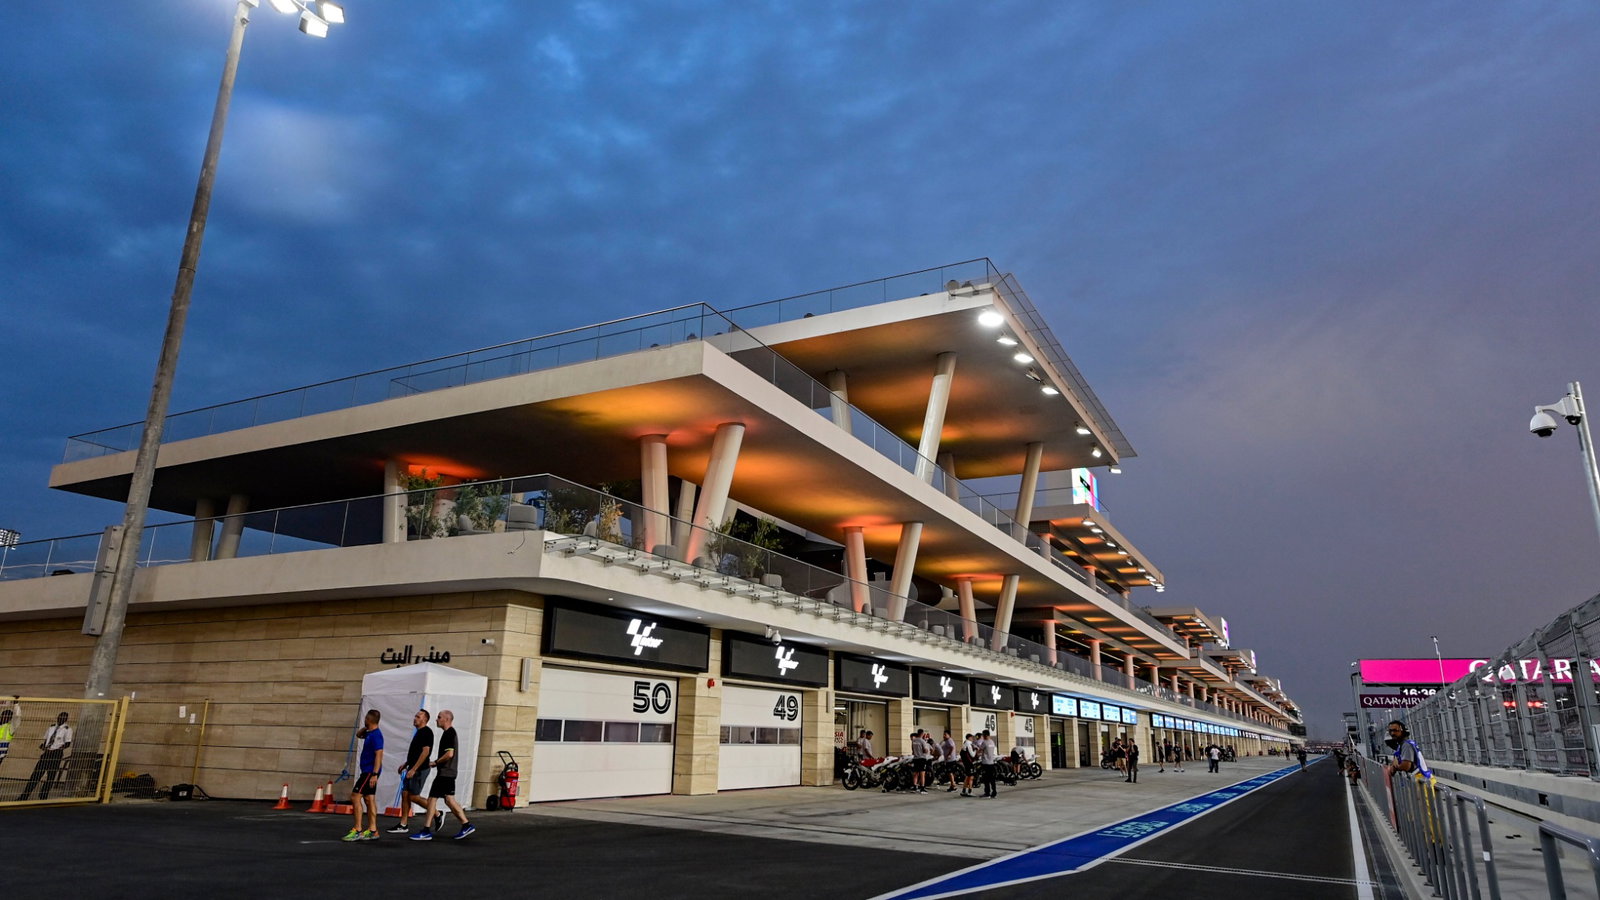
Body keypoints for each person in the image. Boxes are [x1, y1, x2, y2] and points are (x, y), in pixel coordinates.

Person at [411, 709, 475, 841]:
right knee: (448, 800)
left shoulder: (449, 734)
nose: (437, 719)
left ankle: (426, 830)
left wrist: (436, 762)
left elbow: (449, 754)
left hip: (446, 772)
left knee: (433, 799)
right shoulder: (449, 734)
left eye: (439, 717)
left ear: (446, 719)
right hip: (447, 772)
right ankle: (465, 824)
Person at [389, 709, 434, 833]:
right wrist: (406, 764)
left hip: (419, 770)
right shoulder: (418, 733)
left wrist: (414, 769)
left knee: (414, 797)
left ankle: (436, 812)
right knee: (405, 794)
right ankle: (403, 824)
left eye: (418, 717)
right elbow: (415, 752)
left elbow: (425, 752)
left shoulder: (426, 732)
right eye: (415, 716)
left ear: (425, 719)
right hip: (411, 768)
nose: (415, 718)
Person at [344, 709, 384, 842]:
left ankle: (357, 829)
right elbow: (358, 734)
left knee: (355, 796)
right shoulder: (369, 733)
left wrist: (374, 774)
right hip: (367, 771)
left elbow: (379, 755)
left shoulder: (376, 735)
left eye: (366, 719)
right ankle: (373, 830)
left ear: (369, 720)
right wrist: (365, 728)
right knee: (369, 799)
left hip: (369, 772)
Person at [18, 710, 72, 801]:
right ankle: (25, 795)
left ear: (66, 719)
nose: (61, 719)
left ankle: (43, 795)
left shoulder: (67, 729)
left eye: (63, 717)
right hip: (47, 753)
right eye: (60, 716)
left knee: (50, 776)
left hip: (56, 754)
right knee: (36, 775)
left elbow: (67, 743)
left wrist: (57, 749)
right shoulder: (51, 727)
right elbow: (46, 739)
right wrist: (43, 746)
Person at [977, 729, 999, 799]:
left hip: (985, 763)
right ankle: (994, 792)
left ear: (985, 735)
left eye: (983, 735)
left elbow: (979, 751)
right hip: (991, 762)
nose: (982, 736)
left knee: (986, 779)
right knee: (992, 779)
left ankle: (987, 793)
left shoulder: (984, 742)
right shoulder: (992, 742)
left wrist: (977, 752)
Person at [0, 697, 19, 773]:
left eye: (6, 716)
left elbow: (17, 718)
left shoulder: (10, 727)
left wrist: (16, 705)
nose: (3, 718)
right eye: (2, 715)